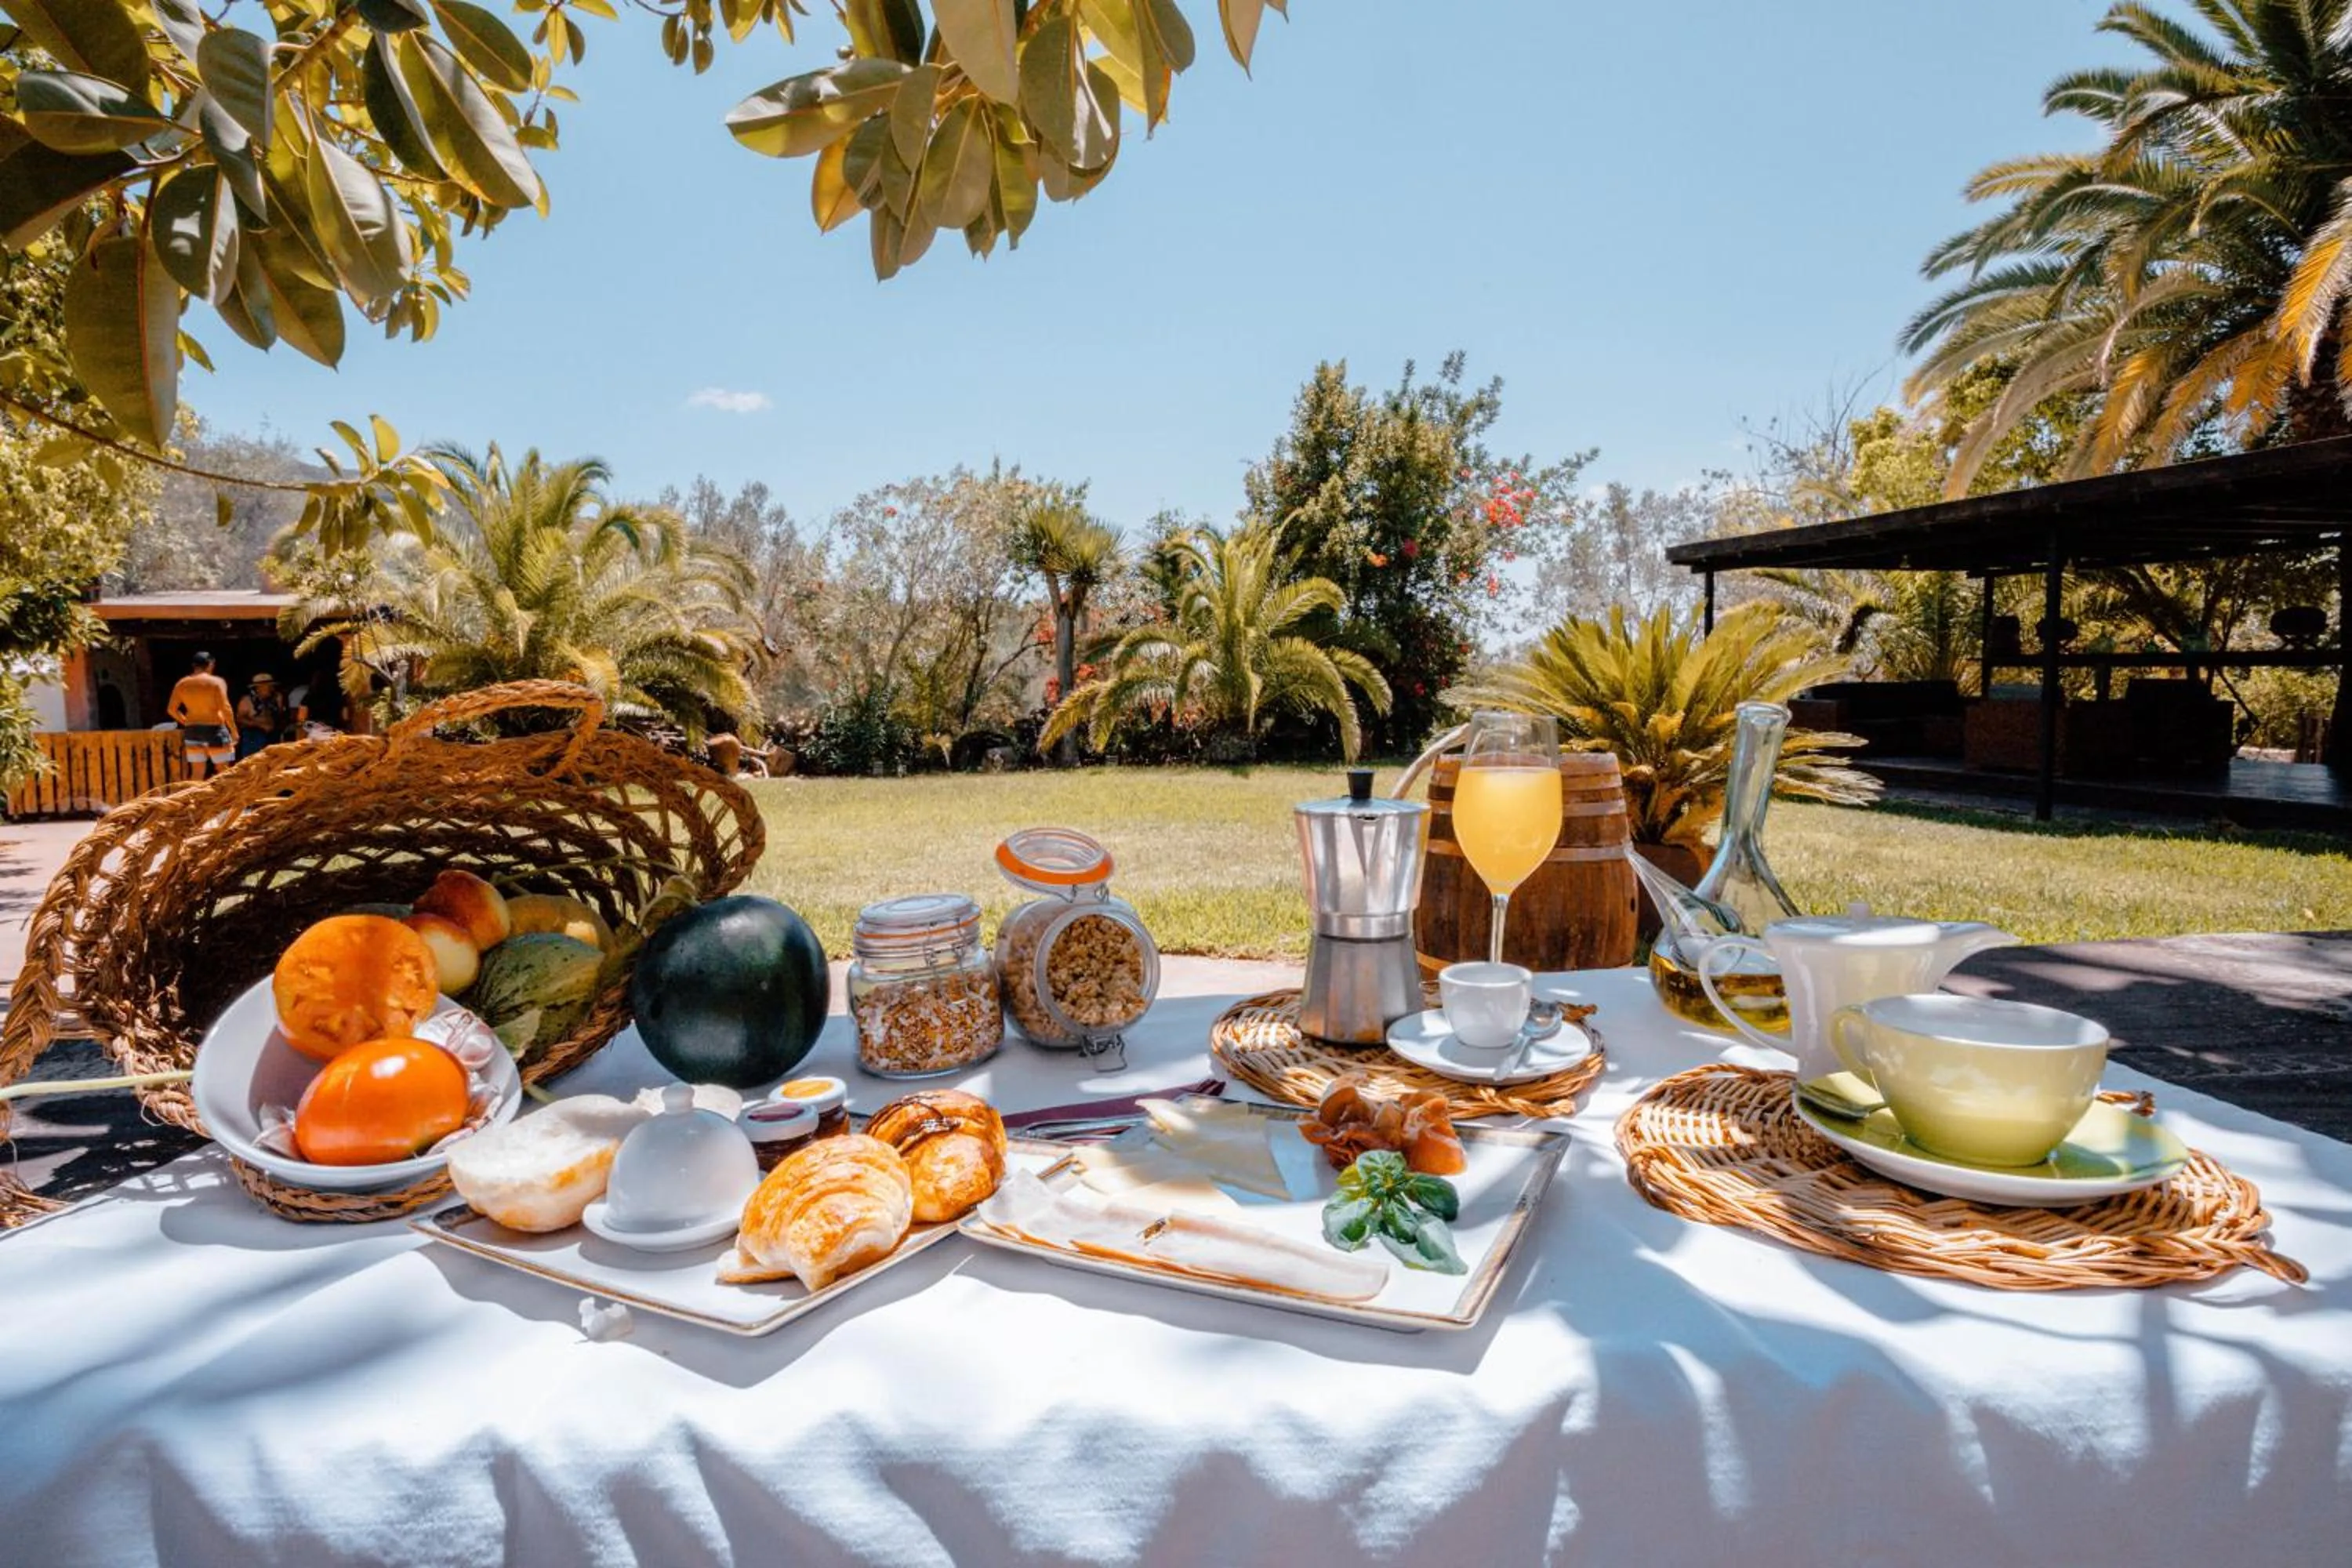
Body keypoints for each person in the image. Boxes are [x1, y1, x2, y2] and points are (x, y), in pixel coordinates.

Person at [166, 652, 236, 778]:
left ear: (194, 666)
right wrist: (234, 731)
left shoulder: (182, 684)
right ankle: (225, 798)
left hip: (193, 731)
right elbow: (226, 708)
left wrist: (186, 721)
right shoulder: (216, 682)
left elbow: (171, 709)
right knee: (224, 772)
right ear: (210, 665)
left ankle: (193, 798)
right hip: (215, 729)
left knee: (197, 773)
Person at [235, 672, 287, 760]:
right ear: (257, 688)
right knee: (253, 761)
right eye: (265, 686)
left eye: (270, 686)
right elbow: (240, 719)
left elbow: (280, 715)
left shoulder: (277, 697)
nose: (269, 688)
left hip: (273, 733)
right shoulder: (247, 700)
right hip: (253, 735)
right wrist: (260, 725)